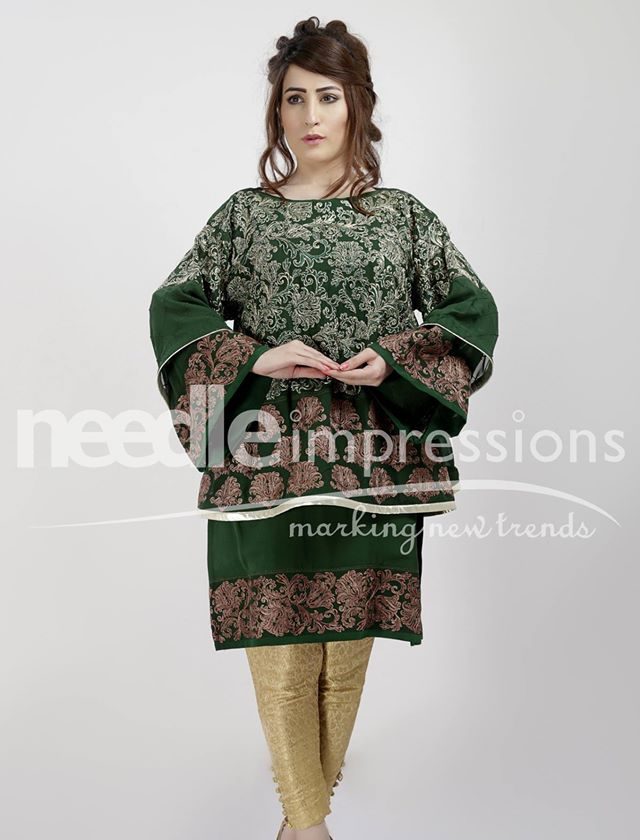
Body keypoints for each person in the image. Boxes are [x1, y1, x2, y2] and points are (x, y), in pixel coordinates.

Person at [148, 16, 499, 840]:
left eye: (328, 97)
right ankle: (309, 829)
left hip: (377, 462)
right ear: (276, 111)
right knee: (281, 659)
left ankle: (298, 822)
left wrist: (392, 358)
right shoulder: (243, 218)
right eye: (294, 98)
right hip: (262, 461)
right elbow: (177, 305)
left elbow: (470, 308)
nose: (310, 115)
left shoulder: (402, 217)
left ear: (357, 105)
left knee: (344, 658)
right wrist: (257, 357)